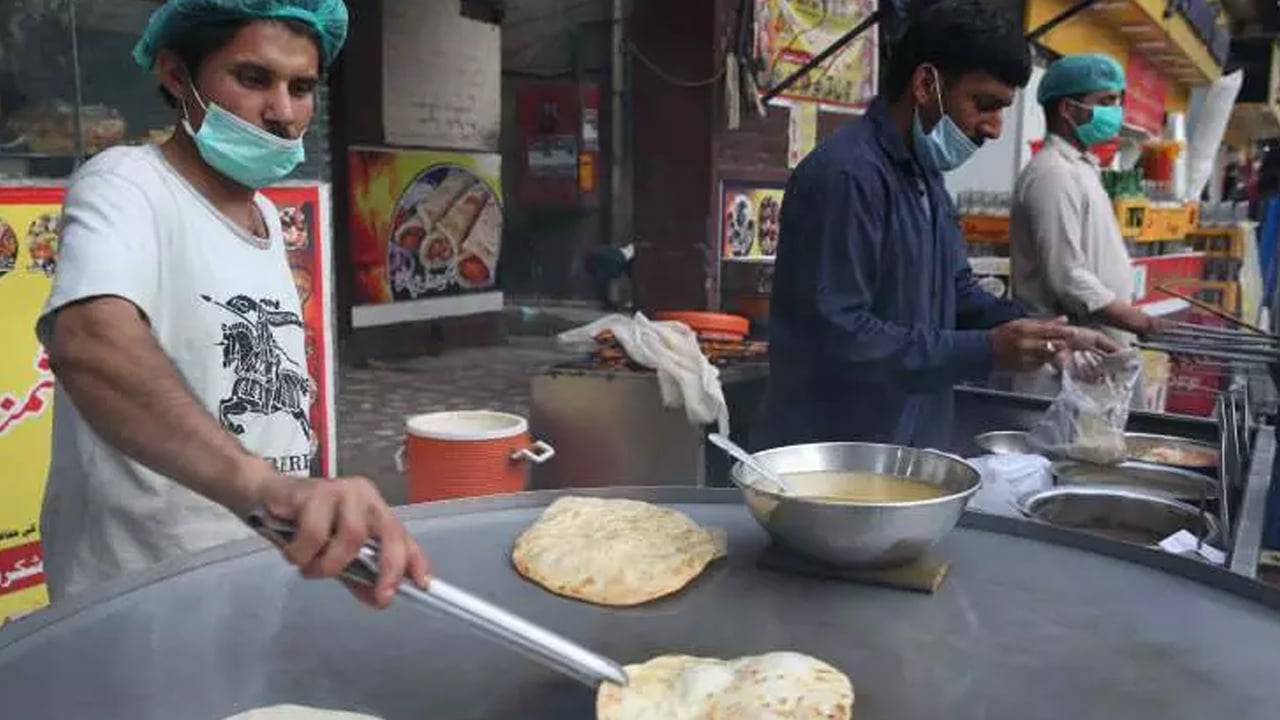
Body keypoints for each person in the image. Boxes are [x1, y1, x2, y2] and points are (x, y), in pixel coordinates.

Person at [38, 0, 427, 608]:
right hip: (141, 599)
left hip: (253, 586)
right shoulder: (125, 184)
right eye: (253, 78)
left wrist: (313, 516)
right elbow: (89, 342)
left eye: (301, 88)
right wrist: (261, 486)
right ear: (176, 74)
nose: (282, 113)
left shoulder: (268, 218)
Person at [752, 0, 1116, 452]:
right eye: (984, 105)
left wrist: (1043, 331)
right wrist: (985, 350)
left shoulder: (926, 179)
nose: (995, 128)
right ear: (926, 84)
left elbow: (957, 292)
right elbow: (839, 337)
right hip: (831, 457)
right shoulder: (847, 177)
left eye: (1003, 109)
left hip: (905, 449)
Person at [1010, 53, 1167, 345]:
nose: (1116, 111)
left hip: (1097, 350)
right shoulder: (1053, 174)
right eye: (1106, 102)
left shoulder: (1081, 167)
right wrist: (1143, 322)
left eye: (1118, 101)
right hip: (1064, 358)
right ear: (1068, 109)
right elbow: (1067, 279)